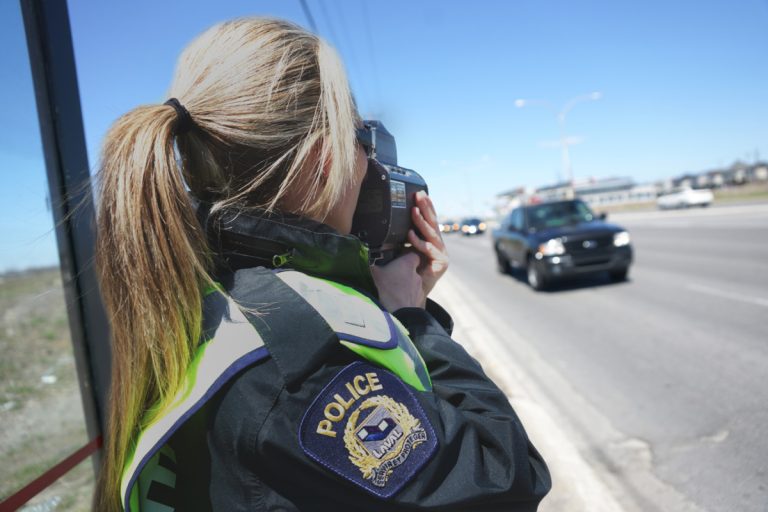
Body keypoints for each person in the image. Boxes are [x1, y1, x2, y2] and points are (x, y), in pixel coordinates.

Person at [94, 17, 551, 512]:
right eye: (362, 141)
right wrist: (413, 319)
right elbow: (507, 480)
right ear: (324, 158)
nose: (371, 165)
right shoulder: (300, 357)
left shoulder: (198, 294)